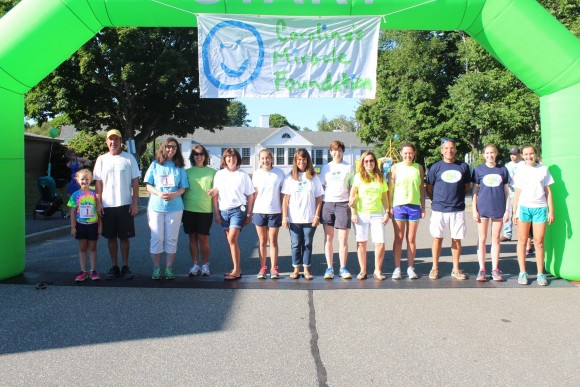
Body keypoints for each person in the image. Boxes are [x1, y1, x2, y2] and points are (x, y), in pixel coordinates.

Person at [93, 129, 140, 280]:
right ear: (106, 142)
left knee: (124, 238)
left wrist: (134, 203)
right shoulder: (101, 159)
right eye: (110, 139)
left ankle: (125, 266)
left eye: (116, 139)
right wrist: (99, 203)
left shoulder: (129, 158)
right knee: (111, 238)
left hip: (125, 204)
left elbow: (135, 182)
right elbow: (98, 183)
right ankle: (114, 266)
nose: (113, 142)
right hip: (107, 205)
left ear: (121, 141)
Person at [425, 138, 471, 280]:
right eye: (446, 148)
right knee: (437, 238)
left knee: (456, 239)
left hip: (457, 209)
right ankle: (435, 268)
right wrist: (435, 200)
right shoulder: (436, 167)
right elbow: (429, 187)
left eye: (451, 148)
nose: (449, 151)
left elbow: (467, 186)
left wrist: (457, 197)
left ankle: (456, 269)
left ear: (455, 150)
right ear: (441, 151)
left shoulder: (463, 166)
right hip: (439, 209)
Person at [144, 137, 189, 280]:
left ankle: (169, 268)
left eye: (174, 147)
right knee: (157, 238)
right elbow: (148, 185)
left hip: (175, 207)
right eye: (169, 146)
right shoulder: (155, 164)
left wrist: (175, 194)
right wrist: (158, 192)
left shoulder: (179, 167)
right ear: (164, 147)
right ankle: (156, 268)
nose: (171, 149)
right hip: (156, 207)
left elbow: (183, 187)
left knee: (171, 239)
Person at [513, 145, 555, 286]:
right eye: (526, 154)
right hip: (524, 208)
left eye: (531, 153)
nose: (529, 156)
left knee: (538, 241)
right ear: (522, 155)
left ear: (536, 154)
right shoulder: (520, 170)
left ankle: (540, 273)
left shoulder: (543, 169)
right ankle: (522, 272)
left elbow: (548, 192)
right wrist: (514, 212)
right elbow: (517, 193)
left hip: (540, 208)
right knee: (522, 241)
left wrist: (551, 211)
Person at [212, 148, 255, 281]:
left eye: (234, 157)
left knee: (231, 239)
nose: (231, 159)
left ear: (237, 159)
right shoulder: (219, 174)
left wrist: (248, 214)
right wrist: (216, 213)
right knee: (232, 241)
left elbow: (251, 195)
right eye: (228, 157)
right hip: (224, 211)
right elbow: (215, 194)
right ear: (224, 159)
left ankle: (236, 270)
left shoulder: (243, 175)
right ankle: (237, 268)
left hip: (238, 210)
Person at [282, 149, 323, 280]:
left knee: (307, 244)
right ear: (295, 161)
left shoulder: (313, 177)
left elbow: (319, 198)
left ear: (308, 160)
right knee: (295, 244)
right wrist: (284, 217)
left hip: (309, 218)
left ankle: (306, 269)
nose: (301, 162)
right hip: (294, 218)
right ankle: (296, 269)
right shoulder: (289, 177)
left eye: (304, 159)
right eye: (299, 159)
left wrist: (317, 216)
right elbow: (285, 199)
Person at [349, 150, 390, 280]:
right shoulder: (358, 177)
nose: (369, 163)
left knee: (380, 243)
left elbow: (384, 197)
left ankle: (377, 270)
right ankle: (363, 270)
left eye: (371, 160)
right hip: (361, 214)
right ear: (363, 163)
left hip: (377, 214)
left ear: (375, 162)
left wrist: (387, 212)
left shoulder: (380, 177)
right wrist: (353, 212)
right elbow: (352, 196)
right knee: (361, 243)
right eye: (366, 161)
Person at [472, 144, 510, 282]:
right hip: (483, 208)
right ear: (483, 155)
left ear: (496, 153)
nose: (490, 155)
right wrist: (474, 209)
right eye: (487, 153)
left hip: (498, 208)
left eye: (492, 152)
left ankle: (495, 269)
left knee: (495, 239)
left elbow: (507, 192)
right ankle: (482, 269)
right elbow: (475, 191)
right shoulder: (478, 170)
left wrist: (507, 210)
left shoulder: (502, 170)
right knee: (482, 239)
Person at [388, 143, 425, 280]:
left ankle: (410, 268)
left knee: (411, 239)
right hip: (398, 206)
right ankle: (397, 268)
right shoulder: (395, 167)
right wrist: (390, 207)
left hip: (414, 206)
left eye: (410, 153)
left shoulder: (418, 167)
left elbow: (421, 187)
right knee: (398, 238)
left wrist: (423, 206)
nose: (408, 155)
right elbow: (390, 188)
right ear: (401, 153)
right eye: (405, 153)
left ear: (414, 153)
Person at [319, 141, 354, 280]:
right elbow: (321, 188)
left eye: (339, 150)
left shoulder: (349, 167)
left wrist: (352, 201)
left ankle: (343, 268)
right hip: (328, 204)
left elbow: (352, 187)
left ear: (342, 151)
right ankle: (329, 268)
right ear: (330, 152)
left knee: (343, 239)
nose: (337, 153)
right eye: (334, 150)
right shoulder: (325, 168)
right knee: (328, 238)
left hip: (343, 204)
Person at [182, 145, 216, 277]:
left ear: (205, 156)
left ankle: (205, 264)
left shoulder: (213, 172)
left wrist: (216, 191)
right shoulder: (187, 172)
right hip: (188, 209)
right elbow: (181, 189)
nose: (199, 156)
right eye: (196, 154)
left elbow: (219, 189)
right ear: (193, 157)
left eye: (201, 154)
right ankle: (195, 264)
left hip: (205, 210)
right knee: (192, 237)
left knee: (203, 238)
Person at [252, 149, 285, 279]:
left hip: (275, 211)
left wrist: (284, 211)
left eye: (267, 158)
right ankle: (263, 268)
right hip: (259, 211)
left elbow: (283, 194)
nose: (265, 160)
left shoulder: (279, 173)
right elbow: (254, 194)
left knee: (273, 241)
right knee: (262, 241)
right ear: (259, 160)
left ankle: (274, 268)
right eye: (262, 158)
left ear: (271, 158)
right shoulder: (256, 174)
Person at [67, 168, 101, 282]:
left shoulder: (95, 195)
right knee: (82, 248)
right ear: (78, 180)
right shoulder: (75, 195)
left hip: (93, 224)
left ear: (90, 180)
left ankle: (93, 270)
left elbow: (98, 210)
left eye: (87, 179)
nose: (84, 182)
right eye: (82, 179)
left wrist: (100, 226)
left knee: (92, 247)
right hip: (80, 225)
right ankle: (83, 271)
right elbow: (72, 212)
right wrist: (73, 227)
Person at [501, 147, 524, 241]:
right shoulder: (507, 165)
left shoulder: (523, 164)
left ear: (519, 154)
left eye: (514, 154)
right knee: (508, 211)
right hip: (510, 191)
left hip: (521, 191)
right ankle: (507, 234)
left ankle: (523, 234)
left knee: (521, 213)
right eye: (511, 154)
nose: (512, 156)